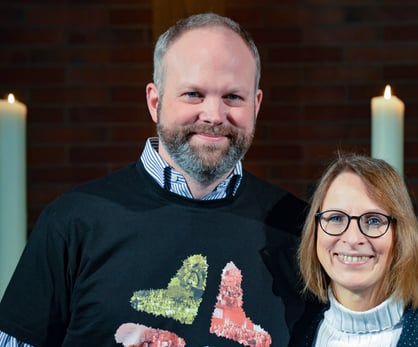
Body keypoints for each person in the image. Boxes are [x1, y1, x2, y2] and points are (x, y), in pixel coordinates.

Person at [0, 13, 308, 347]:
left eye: (233, 97)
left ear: (256, 105)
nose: (214, 116)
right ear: (155, 101)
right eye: (193, 94)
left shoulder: (298, 230)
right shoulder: (73, 223)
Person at [289, 153, 418, 346]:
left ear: (400, 235)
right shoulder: (289, 337)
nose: (352, 238)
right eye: (335, 218)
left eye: (374, 220)